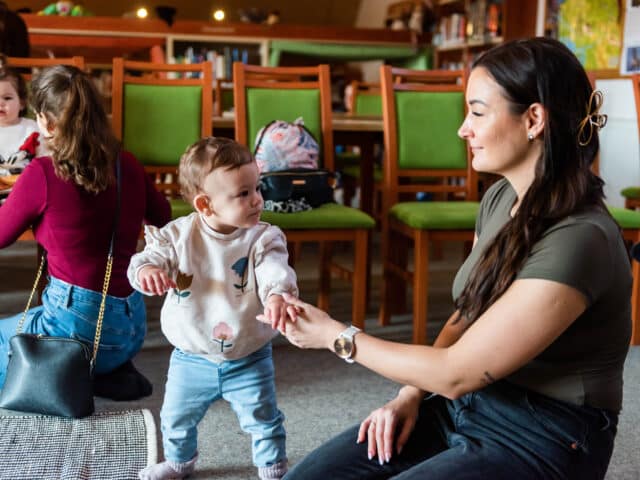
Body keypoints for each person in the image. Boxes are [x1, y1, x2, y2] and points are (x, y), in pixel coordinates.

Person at [267, 37, 631, 480]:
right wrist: (409, 395)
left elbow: (456, 372)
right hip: (468, 404)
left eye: (477, 112)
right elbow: (467, 314)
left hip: (546, 435)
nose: (463, 129)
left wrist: (335, 336)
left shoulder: (581, 238)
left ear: (534, 119)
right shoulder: (500, 198)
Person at [129, 137, 297, 480]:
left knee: (263, 417)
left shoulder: (262, 238)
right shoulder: (178, 236)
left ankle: (272, 468)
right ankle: (179, 461)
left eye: (257, 188)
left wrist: (277, 295)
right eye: (243, 193)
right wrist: (147, 271)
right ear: (205, 205)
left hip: (249, 354)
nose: (257, 199)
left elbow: (274, 270)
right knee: (175, 417)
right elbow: (150, 258)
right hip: (191, 355)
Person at [0, 65, 171, 400]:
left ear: (47, 123)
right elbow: (162, 216)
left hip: (77, 328)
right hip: (130, 329)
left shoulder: (42, 173)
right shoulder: (127, 163)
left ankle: (74, 369)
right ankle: (98, 372)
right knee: (31, 319)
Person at [0, 55, 46, 175]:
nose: (0, 103)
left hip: (25, 182)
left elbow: (45, 159)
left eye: (7, 98)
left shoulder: (32, 129)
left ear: (22, 103)